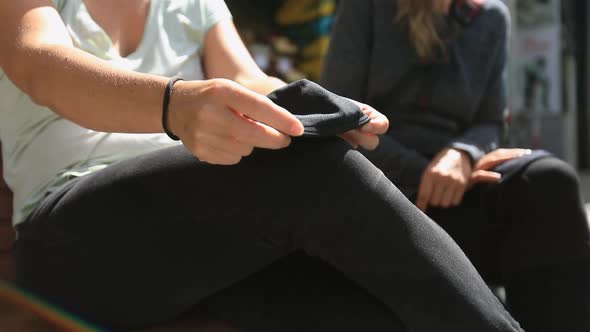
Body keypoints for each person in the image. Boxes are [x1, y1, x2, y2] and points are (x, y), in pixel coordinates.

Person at [0, 0, 527, 331]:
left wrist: (317, 110)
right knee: (315, 175)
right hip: (68, 235)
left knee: (370, 308)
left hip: (195, 241)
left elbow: (247, 79)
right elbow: (37, 61)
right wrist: (176, 105)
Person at [321, 0, 590, 331]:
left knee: (549, 180)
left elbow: (491, 121)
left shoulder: (492, 16)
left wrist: (463, 153)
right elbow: (340, 115)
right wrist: (423, 174)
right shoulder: (367, 7)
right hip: (379, 187)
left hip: (459, 190)